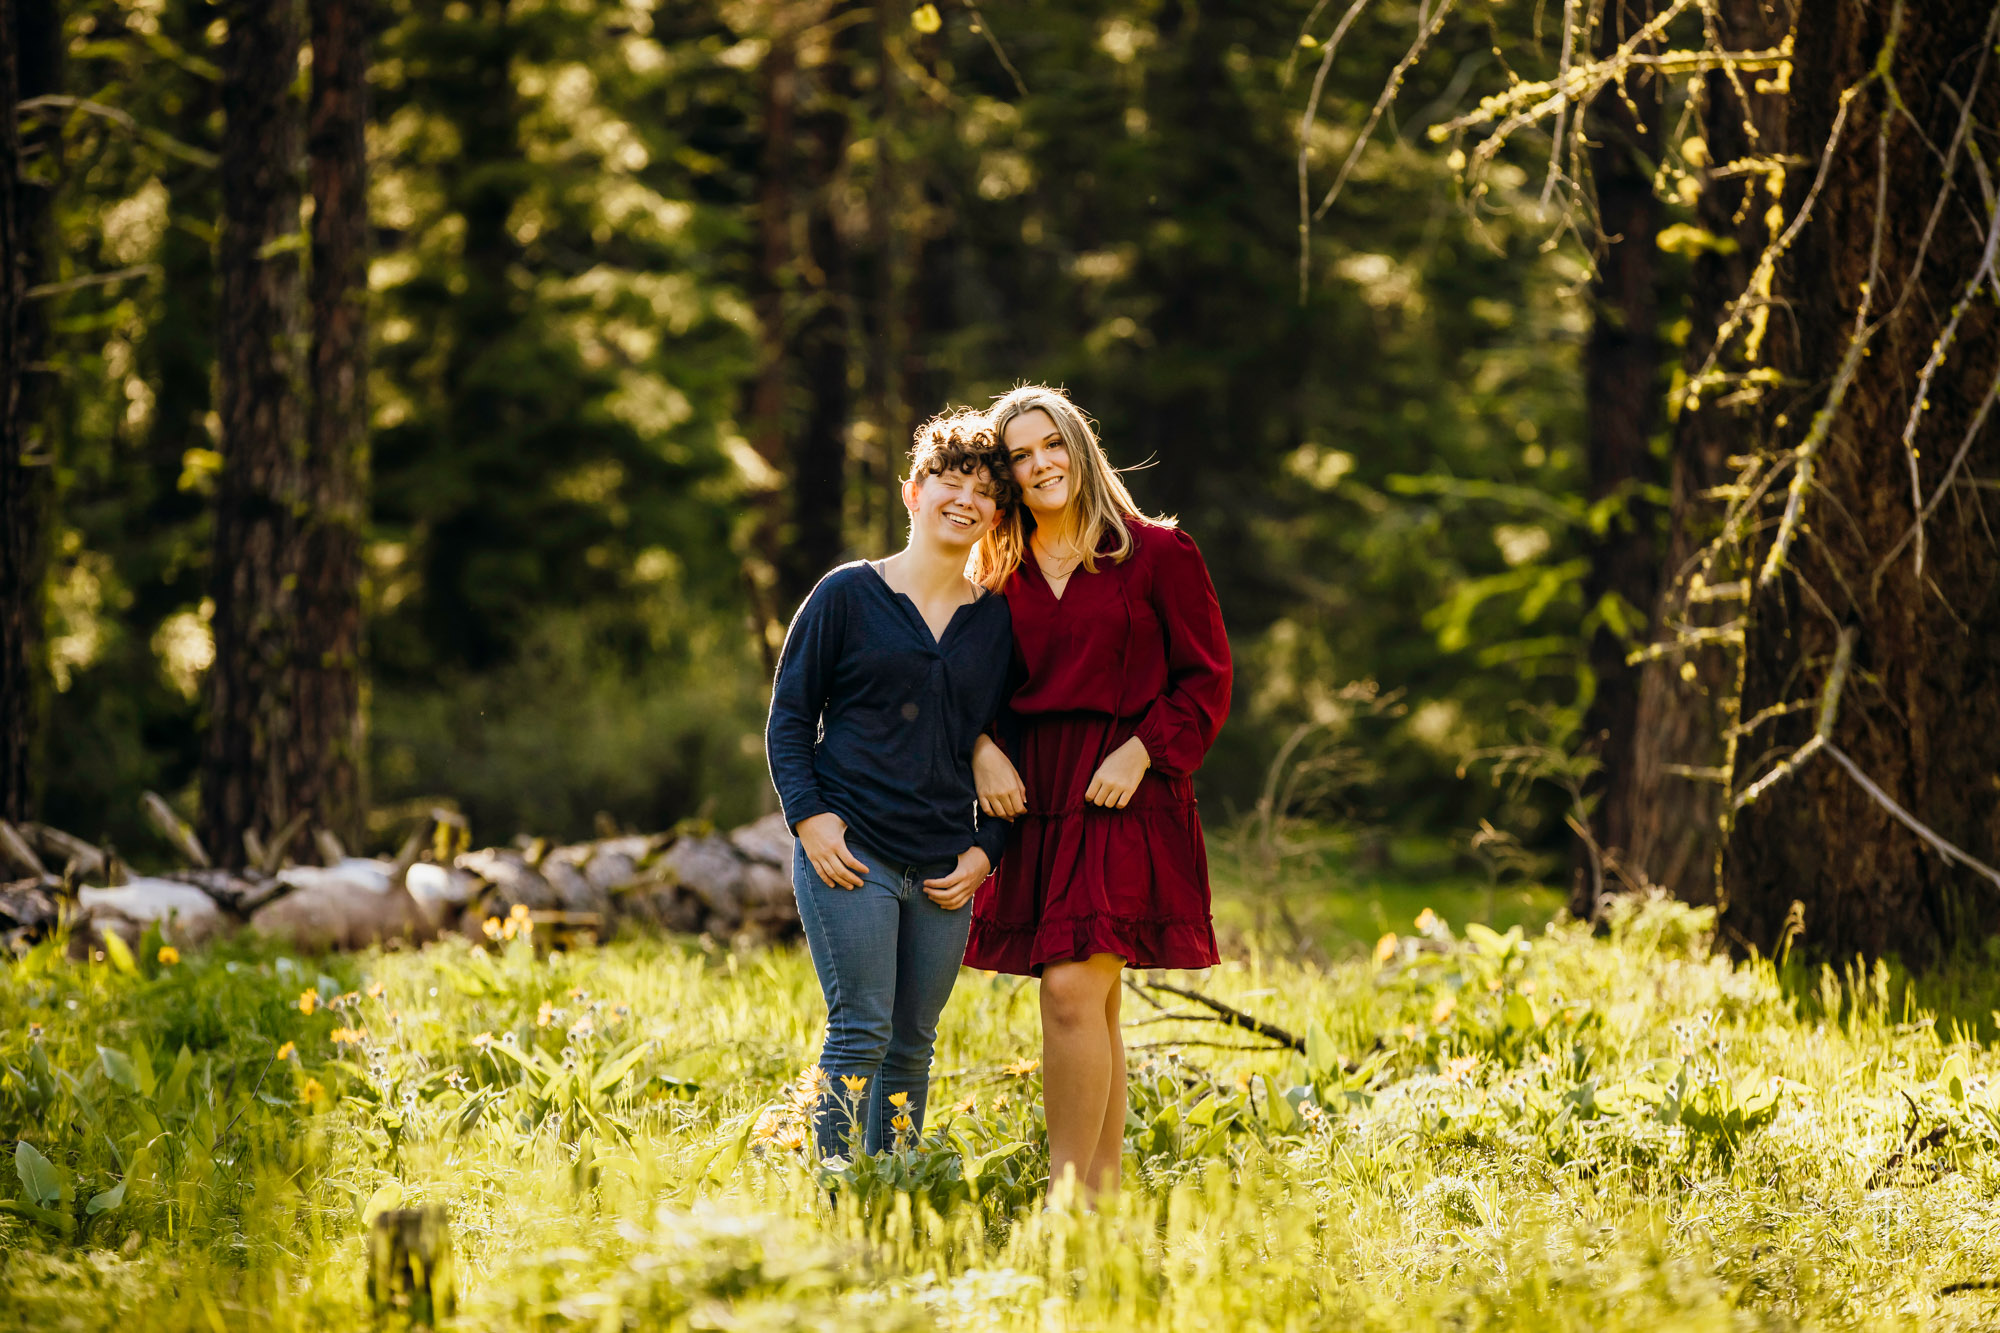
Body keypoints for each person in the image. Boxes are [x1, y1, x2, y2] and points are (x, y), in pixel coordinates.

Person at [966, 384, 1232, 1204]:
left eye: (1052, 444)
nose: (1040, 463)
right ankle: (1102, 1204)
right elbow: (961, 686)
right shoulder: (994, 573)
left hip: (1126, 794)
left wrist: (1145, 750)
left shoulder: (1157, 552)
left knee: (1073, 990)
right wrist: (978, 748)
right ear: (1005, 475)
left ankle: (1068, 1202)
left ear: (1079, 445)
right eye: (1019, 454)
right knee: (1096, 1002)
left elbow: (1207, 678)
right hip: (1035, 797)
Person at [765, 409, 1019, 1161]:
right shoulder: (846, 595)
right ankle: (840, 1187)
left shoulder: (997, 625)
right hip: (854, 852)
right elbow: (788, 720)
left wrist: (988, 850)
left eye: (982, 489)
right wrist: (810, 819)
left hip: (946, 865)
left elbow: (1006, 749)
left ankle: (895, 1186)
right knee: (862, 1028)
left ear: (996, 515)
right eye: (949, 478)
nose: (964, 497)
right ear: (913, 492)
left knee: (913, 1043)